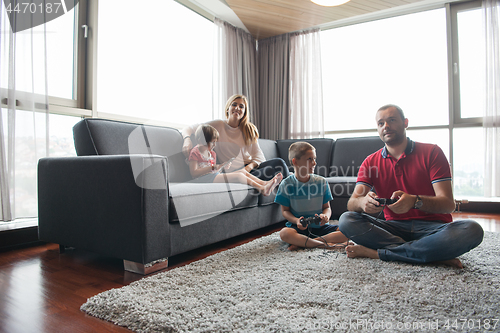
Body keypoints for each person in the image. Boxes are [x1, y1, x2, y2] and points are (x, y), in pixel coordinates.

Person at [338, 104, 484, 268]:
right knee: (346, 220)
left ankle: (378, 253)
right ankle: (429, 254)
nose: (386, 126)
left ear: (405, 122)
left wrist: (415, 201)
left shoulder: (432, 153)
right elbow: (352, 203)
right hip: (393, 228)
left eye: (391, 120)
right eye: (381, 123)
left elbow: (448, 204)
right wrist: (362, 202)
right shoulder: (370, 162)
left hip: (433, 229)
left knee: (472, 230)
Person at [182, 94, 289, 182]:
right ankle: (290, 183)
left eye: (241, 106)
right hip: (234, 173)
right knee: (281, 173)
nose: (237, 108)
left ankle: (290, 185)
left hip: (251, 170)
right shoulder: (218, 125)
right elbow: (189, 128)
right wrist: (187, 139)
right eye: (234, 105)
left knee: (279, 163)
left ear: (244, 113)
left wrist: (247, 168)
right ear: (228, 108)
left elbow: (259, 157)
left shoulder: (249, 129)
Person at [275, 142, 348, 250]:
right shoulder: (286, 184)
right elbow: (285, 211)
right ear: (295, 161)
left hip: (320, 227)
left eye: (314, 159)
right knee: (284, 233)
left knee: (347, 232)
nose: (314, 163)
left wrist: (325, 216)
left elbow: (327, 208)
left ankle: (304, 244)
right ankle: (324, 245)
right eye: (310, 159)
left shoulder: (321, 182)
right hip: (299, 229)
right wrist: (296, 221)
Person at [189, 124, 282, 196]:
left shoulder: (212, 153)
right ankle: (262, 189)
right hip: (203, 179)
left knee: (243, 172)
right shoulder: (195, 152)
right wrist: (213, 167)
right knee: (238, 176)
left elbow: (215, 171)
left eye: (215, 142)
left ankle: (265, 183)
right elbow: (194, 173)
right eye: (212, 142)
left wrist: (222, 167)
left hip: (212, 176)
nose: (215, 145)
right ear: (202, 140)